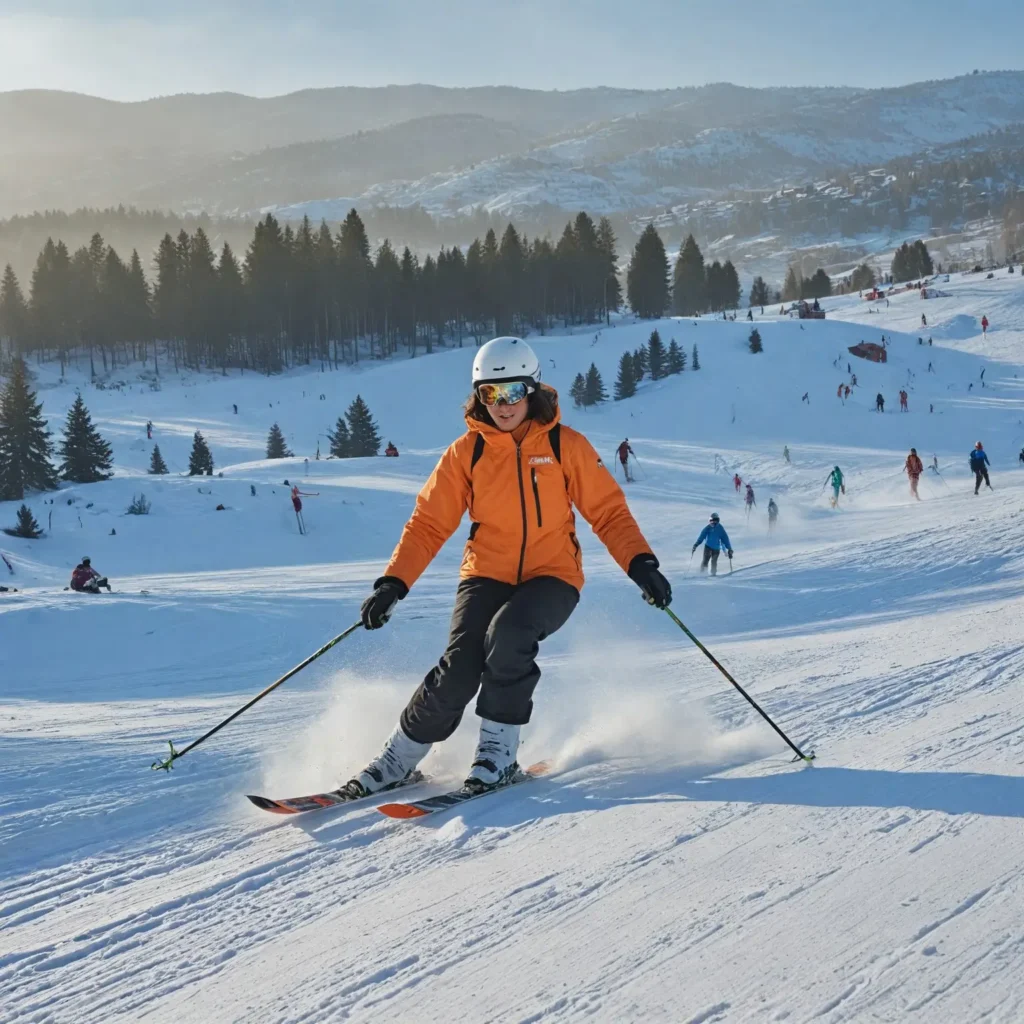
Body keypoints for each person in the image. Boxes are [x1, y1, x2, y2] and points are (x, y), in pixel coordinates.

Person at [346, 337, 671, 797]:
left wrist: (641, 563)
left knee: (510, 636)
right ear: (478, 396)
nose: (502, 405)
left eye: (513, 392)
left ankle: (497, 755)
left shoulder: (565, 446)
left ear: (532, 389)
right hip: (486, 573)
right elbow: (428, 524)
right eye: (490, 394)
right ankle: (399, 758)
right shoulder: (467, 453)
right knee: (460, 666)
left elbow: (608, 512)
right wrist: (392, 584)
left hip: (553, 576)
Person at [692, 512, 732, 577]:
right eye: (711, 521)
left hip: (716, 548)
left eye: (715, 521)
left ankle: (713, 574)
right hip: (708, 547)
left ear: (718, 520)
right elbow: (701, 536)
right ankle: (702, 573)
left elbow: (725, 539)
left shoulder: (720, 529)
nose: (713, 522)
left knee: (714, 561)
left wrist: (729, 549)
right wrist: (696, 544)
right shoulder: (707, 528)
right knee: (705, 560)